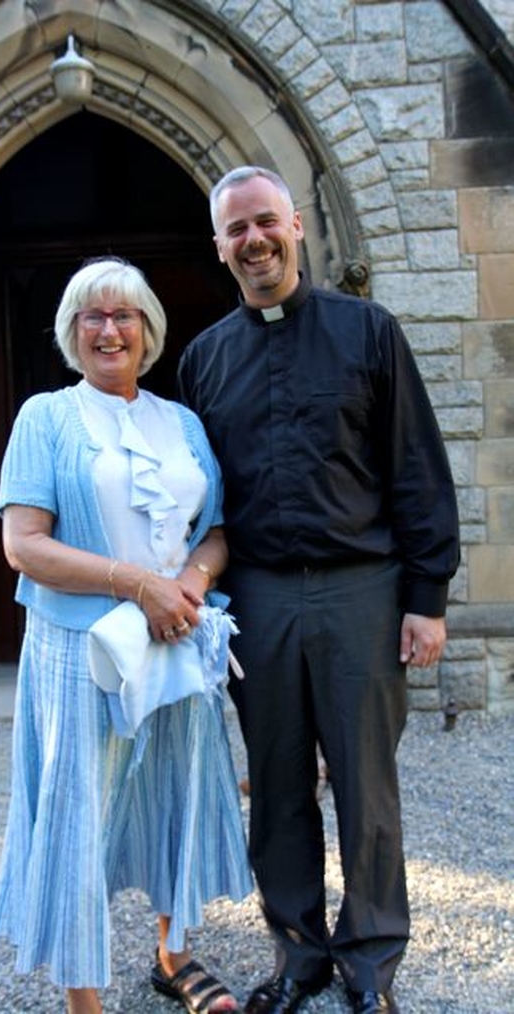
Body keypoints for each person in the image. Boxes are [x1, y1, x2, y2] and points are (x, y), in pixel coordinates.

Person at [177, 167, 460, 1014]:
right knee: (277, 785)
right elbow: (197, 498)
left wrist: (429, 595)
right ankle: (297, 958)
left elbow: (417, 469)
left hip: (362, 589)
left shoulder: (368, 331)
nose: (254, 241)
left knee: (367, 786)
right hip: (256, 601)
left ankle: (371, 966)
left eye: (266, 222)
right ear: (220, 245)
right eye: (237, 230)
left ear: (295, 226)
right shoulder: (203, 360)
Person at [0, 256, 253, 1014]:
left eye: (124, 315)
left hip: (177, 637)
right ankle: (83, 996)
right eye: (92, 317)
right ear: (73, 334)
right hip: (82, 649)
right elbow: (24, 544)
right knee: (82, 809)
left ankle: (174, 956)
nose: (110, 329)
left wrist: (188, 587)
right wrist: (139, 584)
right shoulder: (46, 416)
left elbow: (218, 533)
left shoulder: (183, 423)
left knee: (179, 791)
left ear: (148, 330)